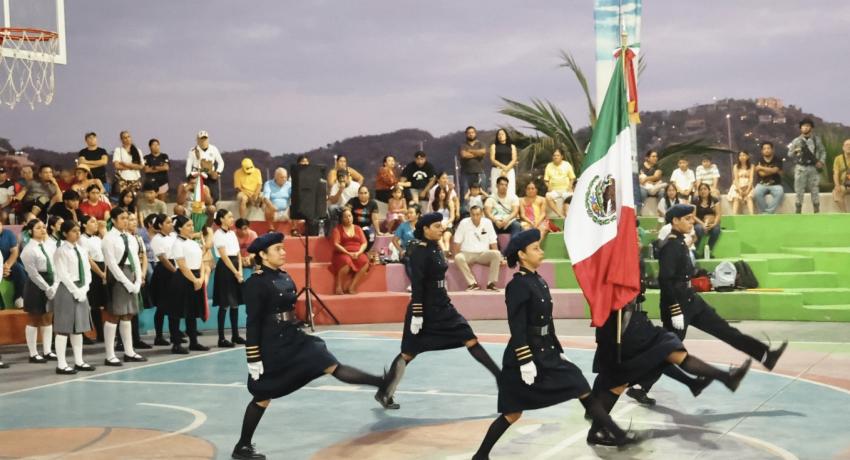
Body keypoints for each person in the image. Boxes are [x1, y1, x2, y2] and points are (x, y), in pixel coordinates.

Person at [472, 230, 637, 458]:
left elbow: (547, 323)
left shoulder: (538, 280)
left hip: (546, 352)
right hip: (526, 357)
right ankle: (480, 456)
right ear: (521, 254)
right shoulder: (518, 285)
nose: (541, 252)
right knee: (512, 413)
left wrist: (559, 351)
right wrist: (525, 360)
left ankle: (617, 434)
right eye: (536, 248)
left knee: (581, 386)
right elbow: (517, 326)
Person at [231, 232, 389, 460]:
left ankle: (380, 382)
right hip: (273, 345)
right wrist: (253, 356)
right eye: (278, 249)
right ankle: (242, 447)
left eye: (283, 248)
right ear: (263, 255)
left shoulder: (284, 276)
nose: (283, 252)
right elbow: (253, 322)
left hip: (294, 338)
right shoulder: (256, 283)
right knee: (263, 396)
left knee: (329, 363)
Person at [376, 212, 501, 410]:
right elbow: (417, 283)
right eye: (436, 226)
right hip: (424, 310)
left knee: (470, 338)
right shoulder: (419, 250)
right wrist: (417, 313)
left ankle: (501, 379)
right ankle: (385, 392)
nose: (441, 228)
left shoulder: (435, 246)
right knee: (408, 353)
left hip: (442, 306)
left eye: (441, 225)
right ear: (425, 229)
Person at [50, 220, 97, 374]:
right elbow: (62, 274)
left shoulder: (82, 250)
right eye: (73, 231)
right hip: (67, 290)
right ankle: (61, 364)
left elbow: (88, 271)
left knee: (78, 328)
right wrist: (75, 290)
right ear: (64, 233)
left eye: (78, 230)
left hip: (81, 288)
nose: (77, 233)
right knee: (63, 327)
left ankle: (79, 361)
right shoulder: (61, 251)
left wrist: (85, 288)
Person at [101, 207, 146, 366]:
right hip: (118, 277)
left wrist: (138, 280)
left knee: (128, 314)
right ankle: (110, 354)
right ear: (113, 220)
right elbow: (111, 264)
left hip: (131, 274)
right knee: (114, 315)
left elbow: (136, 259)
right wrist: (126, 282)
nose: (126, 221)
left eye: (127, 218)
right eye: (122, 218)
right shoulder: (108, 238)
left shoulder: (131, 237)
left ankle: (129, 351)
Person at [169, 214, 210, 354]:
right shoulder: (177, 244)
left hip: (197, 277)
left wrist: (202, 277)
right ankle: (176, 343)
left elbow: (202, 261)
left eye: (192, 225)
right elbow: (182, 265)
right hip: (183, 279)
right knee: (177, 312)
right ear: (179, 228)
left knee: (192, 312)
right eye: (188, 225)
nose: (192, 227)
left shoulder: (193, 243)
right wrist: (194, 280)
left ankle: (194, 342)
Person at [20, 218, 58, 363]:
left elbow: (55, 266)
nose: (42, 230)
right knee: (34, 318)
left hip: (50, 281)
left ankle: (47, 350)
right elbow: (33, 273)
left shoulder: (49, 245)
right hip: (36, 285)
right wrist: (46, 287)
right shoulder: (28, 250)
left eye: (43, 227)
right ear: (30, 231)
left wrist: (53, 285)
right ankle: (33, 353)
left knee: (48, 317)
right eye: (38, 228)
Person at [213, 209, 245, 348]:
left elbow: (238, 253)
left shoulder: (232, 233)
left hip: (235, 266)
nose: (232, 219)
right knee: (224, 303)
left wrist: (240, 271)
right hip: (225, 268)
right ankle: (221, 338)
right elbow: (224, 256)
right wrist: (234, 272)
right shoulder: (218, 234)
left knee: (235, 302)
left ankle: (235, 334)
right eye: (229, 216)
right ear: (221, 219)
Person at [452, 205, 503, 292]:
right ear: (470, 215)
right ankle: (472, 284)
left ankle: (491, 284)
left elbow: (493, 241)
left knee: (497, 254)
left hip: (483, 254)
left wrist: (500, 258)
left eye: (478, 214)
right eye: (473, 214)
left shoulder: (487, 222)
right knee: (458, 257)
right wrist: (456, 256)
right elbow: (457, 242)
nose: (475, 217)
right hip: (467, 253)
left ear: (482, 214)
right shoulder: (464, 223)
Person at [149, 214, 177, 346]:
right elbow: (163, 259)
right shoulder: (157, 239)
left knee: (173, 305)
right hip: (164, 272)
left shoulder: (173, 236)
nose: (171, 224)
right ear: (160, 225)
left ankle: (174, 335)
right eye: (167, 222)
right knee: (162, 306)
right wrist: (175, 271)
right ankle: (159, 336)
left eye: (171, 222)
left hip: (174, 266)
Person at [788, 118, 826, 213]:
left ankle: (816, 210)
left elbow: (823, 151)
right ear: (800, 128)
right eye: (803, 126)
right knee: (799, 190)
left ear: (811, 128)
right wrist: (795, 151)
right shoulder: (796, 141)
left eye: (808, 126)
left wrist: (821, 161)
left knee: (815, 189)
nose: (805, 128)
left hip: (813, 167)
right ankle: (798, 210)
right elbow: (789, 154)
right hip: (801, 168)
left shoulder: (816, 140)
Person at [79, 214, 107, 344]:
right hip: (92, 270)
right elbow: (88, 259)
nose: (96, 224)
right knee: (90, 304)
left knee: (101, 304)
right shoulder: (82, 239)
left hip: (103, 268)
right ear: (84, 225)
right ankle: (83, 333)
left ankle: (101, 334)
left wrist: (105, 271)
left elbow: (106, 254)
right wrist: (101, 274)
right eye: (92, 222)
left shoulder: (97, 238)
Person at [330, 208, 370, 295]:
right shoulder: (337, 229)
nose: (348, 218)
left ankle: (352, 286)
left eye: (350, 216)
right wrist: (348, 253)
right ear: (341, 219)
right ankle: (339, 286)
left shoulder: (358, 228)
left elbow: (364, 243)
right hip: (342, 253)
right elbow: (336, 244)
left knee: (365, 261)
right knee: (346, 261)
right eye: (345, 217)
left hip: (357, 252)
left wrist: (359, 252)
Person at [184, 130, 224, 203]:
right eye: (201, 139)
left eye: (205, 139)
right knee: (199, 195)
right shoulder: (193, 151)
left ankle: (210, 208)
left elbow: (221, 162)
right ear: (198, 140)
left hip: (210, 174)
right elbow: (188, 165)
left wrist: (218, 172)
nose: (203, 141)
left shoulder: (213, 149)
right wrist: (189, 176)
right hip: (198, 174)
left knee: (214, 196)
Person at [753, 141, 785, 214]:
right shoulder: (758, 160)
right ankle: (766, 212)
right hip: (762, 184)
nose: (766, 150)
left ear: (772, 149)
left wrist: (761, 167)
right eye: (764, 149)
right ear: (762, 151)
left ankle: (767, 212)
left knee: (780, 193)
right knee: (757, 192)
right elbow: (761, 174)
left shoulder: (777, 159)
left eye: (768, 148)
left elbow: (775, 170)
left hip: (776, 184)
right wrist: (772, 170)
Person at [0, 219, 26, 308]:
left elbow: (14, 252)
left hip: (8, 263)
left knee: (19, 268)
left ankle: (19, 297)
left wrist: (6, 266)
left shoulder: (8, 234)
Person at [392, 205, 419, 289]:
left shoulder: (422, 226)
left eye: (411, 213)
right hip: (406, 252)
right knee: (408, 259)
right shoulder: (403, 226)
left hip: (420, 252)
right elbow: (394, 240)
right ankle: (415, 284)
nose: (409, 215)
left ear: (417, 215)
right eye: (408, 213)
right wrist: (400, 250)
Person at [543, 149, 576, 217]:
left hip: (566, 189)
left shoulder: (567, 164)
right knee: (548, 196)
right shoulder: (549, 165)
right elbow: (546, 180)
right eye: (554, 155)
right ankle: (560, 214)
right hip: (554, 190)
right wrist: (548, 186)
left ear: (562, 156)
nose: (556, 157)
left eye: (558, 155)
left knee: (573, 197)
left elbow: (572, 178)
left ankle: (568, 216)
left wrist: (570, 186)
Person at [692, 183, 721, 257]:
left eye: (705, 189)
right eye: (701, 189)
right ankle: (695, 250)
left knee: (716, 230)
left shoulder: (714, 200)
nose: (703, 191)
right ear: (698, 192)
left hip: (711, 222)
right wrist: (703, 224)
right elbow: (693, 216)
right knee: (698, 229)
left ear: (709, 191)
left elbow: (718, 214)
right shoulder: (695, 200)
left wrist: (714, 224)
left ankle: (708, 250)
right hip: (699, 222)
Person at [112, 130, 145, 195]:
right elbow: (117, 166)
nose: (127, 139)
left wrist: (126, 164)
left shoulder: (138, 150)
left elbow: (141, 166)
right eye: (125, 137)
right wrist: (133, 167)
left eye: (128, 137)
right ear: (121, 139)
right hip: (123, 179)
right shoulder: (118, 150)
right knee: (124, 198)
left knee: (135, 199)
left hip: (136, 178)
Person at [458, 126, 488, 195]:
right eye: (469, 133)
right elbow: (464, 155)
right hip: (465, 174)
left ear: (475, 133)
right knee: (464, 195)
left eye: (472, 132)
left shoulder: (481, 144)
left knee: (482, 194)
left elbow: (483, 152)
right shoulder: (462, 145)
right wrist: (477, 153)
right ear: (466, 134)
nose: (471, 134)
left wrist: (470, 151)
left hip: (479, 172)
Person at [261, 168, 291, 233]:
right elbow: (265, 198)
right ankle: (271, 229)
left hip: (286, 211)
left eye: (285, 177)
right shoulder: (268, 184)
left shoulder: (289, 185)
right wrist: (271, 206)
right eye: (282, 177)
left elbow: (294, 197)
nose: (284, 179)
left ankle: (294, 229)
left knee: (295, 206)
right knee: (268, 207)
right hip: (273, 212)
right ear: (276, 177)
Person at [489, 129, 517, 197]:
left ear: (506, 136)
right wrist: (503, 167)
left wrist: (506, 169)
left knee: (510, 189)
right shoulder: (494, 146)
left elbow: (514, 159)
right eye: (499, 134)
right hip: (497, 170)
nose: (500, 136)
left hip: (509, 170)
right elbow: (492, 159)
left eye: (502, 134)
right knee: (495, 190)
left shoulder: (512, 146)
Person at [727, 151, 755, 215]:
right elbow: (736, 179)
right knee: (736, 198)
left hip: (748, 185)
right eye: (740, 155)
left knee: (749, 197)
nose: (742, 157)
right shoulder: (735, 166)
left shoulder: (751, 166)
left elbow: (751, 179)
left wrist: (748, 190)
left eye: (744, 155)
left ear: (747, 157)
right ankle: (734, 216)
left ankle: (752, 215)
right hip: (737, 186)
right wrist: (739, 190)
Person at [430, 185, 455, 252]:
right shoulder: (433, 204)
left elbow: (452, 217)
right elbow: (432, 217)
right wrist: (439, 224)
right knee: (439, 238)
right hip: (437, 225)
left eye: (443, 193)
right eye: (440, 193)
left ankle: (446, 251)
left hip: (448, 225)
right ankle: (445, 252)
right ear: (437, 194)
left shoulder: (450, 202)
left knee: (446, 238)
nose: (442, 195)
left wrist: (446, 224)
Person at [833, 138, 850, 212]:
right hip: (845, 185)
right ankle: (845, 215)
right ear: (843, 147)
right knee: (836, 194)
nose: (849, 146)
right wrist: (837, 185)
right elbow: (835, 173)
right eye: (847, 145)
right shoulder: (838, 159)